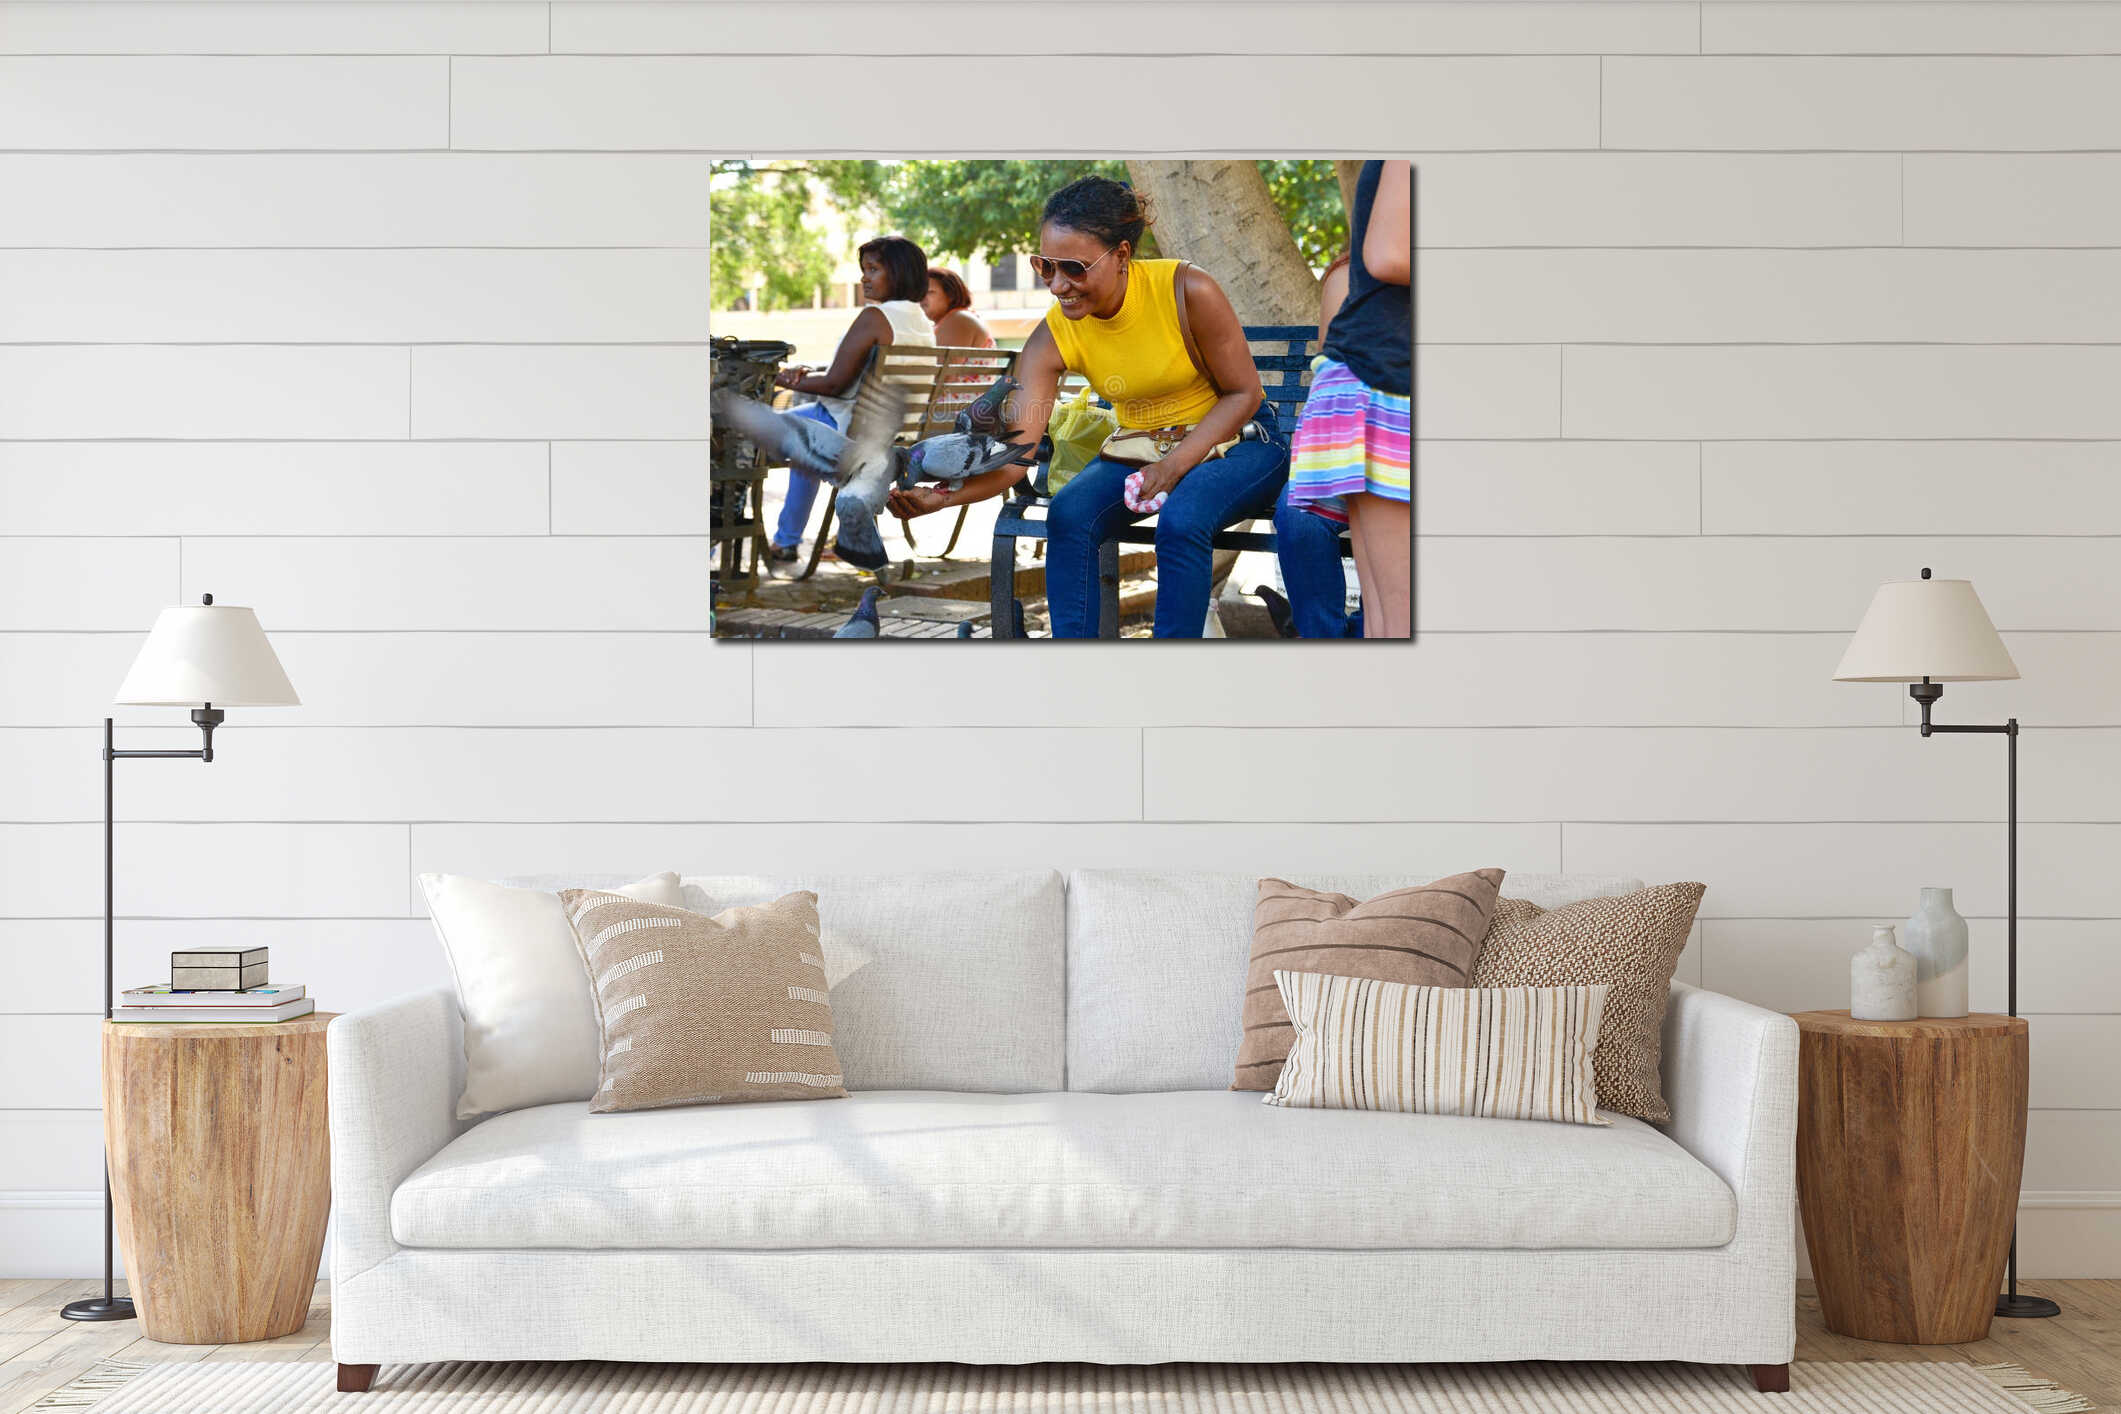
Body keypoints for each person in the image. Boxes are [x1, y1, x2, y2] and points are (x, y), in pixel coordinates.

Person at [887, 176, 1287, 638]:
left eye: (1074, 268)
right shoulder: (1056, 332)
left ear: (1120, 255)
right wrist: (940, 497)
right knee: (1070, 514)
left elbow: (1244, 395)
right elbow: (1017, 458)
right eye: (1045, 267)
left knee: (1183, 520)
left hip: (1238, 441)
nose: (1058, 286)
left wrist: (1176, 465)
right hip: (1143, 448)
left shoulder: (1185, 289)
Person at [1284, 160, 1411, 637]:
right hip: (1383, 388)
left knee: (1390, 617)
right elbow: (1389, 254)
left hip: (1374, 387)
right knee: (1402, 617)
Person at [763, 235, 935, 563]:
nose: (864, 278)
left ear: (898, 272)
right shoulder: (921, 322)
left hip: (847, 427)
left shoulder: (876, 317)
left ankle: (719, 545)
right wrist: (808, 375)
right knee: (803, 447)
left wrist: (782, 378)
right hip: (895, 431)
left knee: (736, 440)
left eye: (873, 269)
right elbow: (850, 374)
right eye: (863, 269)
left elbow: (835, 385)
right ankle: (785, 540)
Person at [1270, 253, 1361, 638]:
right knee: (1297, 513)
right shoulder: (1346, 273)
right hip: (1349, 448)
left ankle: (1366, 630)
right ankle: (1322, 638)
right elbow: (1334, 373)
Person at [921, 268, 995, 349]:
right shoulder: (954, 318)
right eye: (920, 293)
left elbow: (943, 361)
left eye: (929, 292)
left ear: (951, 295)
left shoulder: (958, 319)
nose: (921, 298)